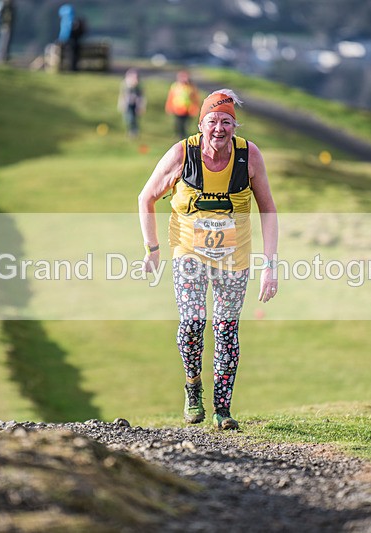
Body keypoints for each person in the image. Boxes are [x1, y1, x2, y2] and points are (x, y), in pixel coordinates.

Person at [138, 89, 279, 430]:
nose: (219, 128)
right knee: (192, 325)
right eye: (212, 121)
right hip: (189, 252)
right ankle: (192, 385)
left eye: (227, 122)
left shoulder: (249, 156)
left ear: (235, 125)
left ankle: (222, 410)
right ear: (201, 124)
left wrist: (269, 266)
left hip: (235, 255)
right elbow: (146, 197)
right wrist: (153, 249)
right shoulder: (181, 154)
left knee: (226, 330)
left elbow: (269, 210)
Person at [165, 70, 200, 139]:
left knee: (185, 124)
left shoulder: (191, 87)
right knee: (178, 123)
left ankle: (183, 135)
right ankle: (178, 135)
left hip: (187, 109)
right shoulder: (175, 86)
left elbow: (195, 99)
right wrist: (168, 106)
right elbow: (171, 97)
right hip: (177, 108)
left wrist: (195, 108)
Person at [118, 68, 146, 138]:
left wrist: (141, 106)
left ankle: (135, 132)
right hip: (127, 104)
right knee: (128, 118)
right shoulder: (125, 85)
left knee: (134, 119)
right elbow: (122, 95)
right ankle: (130, 131)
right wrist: (121, 104)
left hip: (135, 105)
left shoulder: (138, 87)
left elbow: (141, 97)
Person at [58, 3, 85, 71]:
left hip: (66, 42)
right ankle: (73, 68)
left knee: (67, 54)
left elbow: (63, 33)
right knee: (73, 55)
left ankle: (66, 68)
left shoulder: (64, 21)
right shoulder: (75, 21)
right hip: (74, 42)